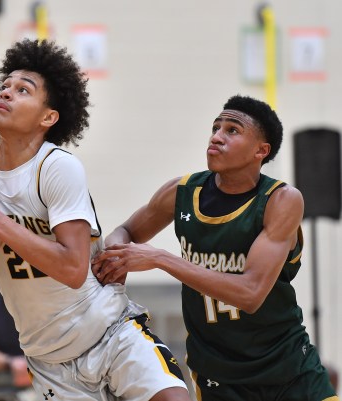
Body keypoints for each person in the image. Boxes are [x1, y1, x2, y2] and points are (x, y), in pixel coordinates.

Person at [0, 39, 190, 401]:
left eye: (22, 90)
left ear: (48, 117)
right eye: (5, 86)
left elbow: (74, 268)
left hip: (109, 334)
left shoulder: (57, 168)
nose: (6, 93)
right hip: (48, 360)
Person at [92, 94, 340, 401]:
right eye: (215, 128)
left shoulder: (280, 201)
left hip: (287, 367)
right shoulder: (182, 193)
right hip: (218, 373)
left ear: (260, 151)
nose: (217, 137)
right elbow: (126, 231)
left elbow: (250, 294)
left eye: (232, 130)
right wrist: (116, 257)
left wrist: (159, 258)